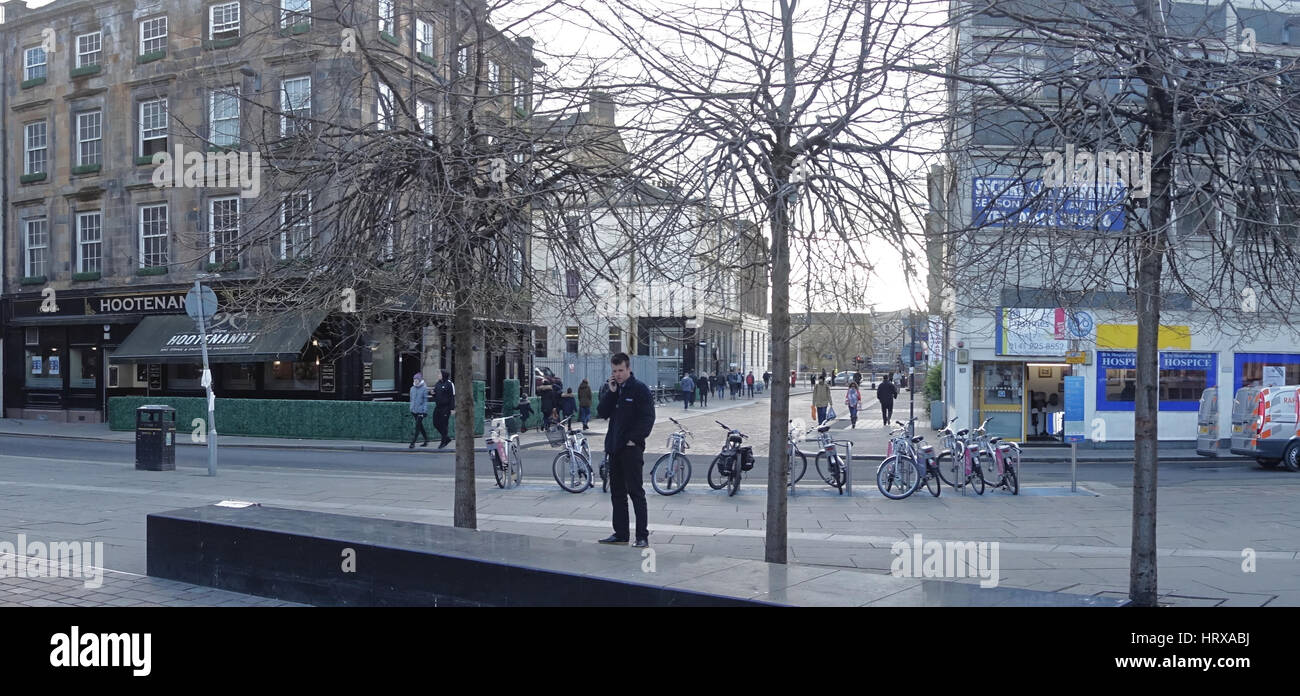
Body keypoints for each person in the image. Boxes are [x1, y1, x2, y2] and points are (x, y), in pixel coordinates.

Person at [596, 352, 655, 548]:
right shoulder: (614, 389)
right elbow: (602, 412)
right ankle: (621, 533)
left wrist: (634, 439)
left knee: (636, 492)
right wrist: (611, 393)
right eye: (614, 371)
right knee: (617, 493)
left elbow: (648, 418)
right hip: (614, 447)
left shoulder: (640, 390)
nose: (618, 374)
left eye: (621, 370)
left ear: (628, 369)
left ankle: (642, 536)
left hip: (631, 449)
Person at [432, 369, 455, 448]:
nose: (438, 375)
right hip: (438, 407)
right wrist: (432, 393)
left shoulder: (449, 384)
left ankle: (443, 442)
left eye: (439, 374)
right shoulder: (437, 384)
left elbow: (452, 397)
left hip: (446, 407)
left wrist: (452, 409)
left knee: (444, 425)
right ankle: (446, 438)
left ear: (443, 375)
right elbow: (435, 393)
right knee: (435, 423)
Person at [408, 373, 430, 448]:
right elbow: (411, 399)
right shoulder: (412, 388)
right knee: (420, 426)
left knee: (417, 426)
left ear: (420, 380)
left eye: (417, 379)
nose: (415, 381)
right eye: (414, 379)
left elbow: (425, 401)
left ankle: (413, 443)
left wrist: (424, 411)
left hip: (421, 411)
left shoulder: (424, 389)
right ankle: (426, 440)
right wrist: (411, 408)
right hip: (414, 410)